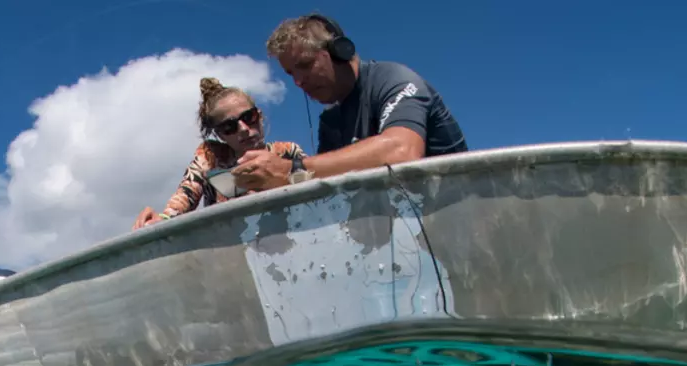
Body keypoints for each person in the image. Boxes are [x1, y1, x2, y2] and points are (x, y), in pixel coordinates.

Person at [232, 13, 467, 192]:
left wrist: (291, 170)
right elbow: (328, 189)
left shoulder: (394, 79)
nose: (298, 82)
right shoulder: (330, 121)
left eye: (305, 65)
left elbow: (402, 151)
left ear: (339, 52)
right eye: (290, 73)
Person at [133, 78, 306, 229]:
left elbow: (316, 181)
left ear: (259, 115)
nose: (244, 129)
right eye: (229, 127)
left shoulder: (288, 152)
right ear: (219, 134)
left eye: (248, 117)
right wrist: (161, 220)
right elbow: (186, 194)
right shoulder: (211, 158)